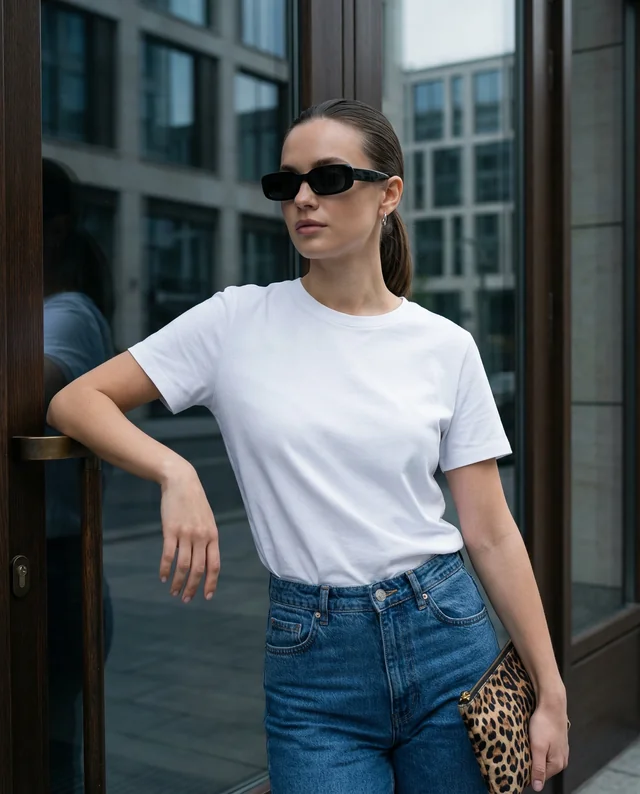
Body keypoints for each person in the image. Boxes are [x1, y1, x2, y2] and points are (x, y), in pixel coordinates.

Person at [47, 99, 569, 793]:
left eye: (327, 178)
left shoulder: (445, 346)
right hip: (313, 662)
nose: (301, 198)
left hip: (448, 636)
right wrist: (174, 471)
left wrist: (550, 689)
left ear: (389, 194)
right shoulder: (236, 320)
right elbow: (74, 399)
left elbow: (492, 532)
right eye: (285, 182)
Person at [43, 158, 115, 792]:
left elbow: (39, 388)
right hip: (51, 562)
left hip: (55, 565)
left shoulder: (67, 313)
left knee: (50, 745)